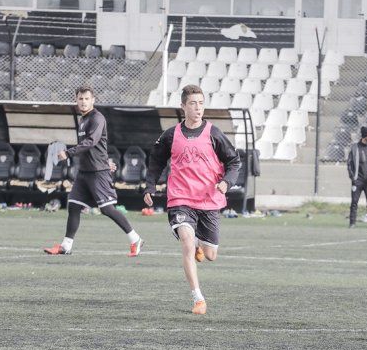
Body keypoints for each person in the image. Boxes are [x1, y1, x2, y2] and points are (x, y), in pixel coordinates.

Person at [143, 85, 241, 315]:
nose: (198, 108)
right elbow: (155, 162)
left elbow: (234, 162)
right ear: (183, 106)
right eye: (193, 104)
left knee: (210, 255)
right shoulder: (170, 135)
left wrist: (226, 182)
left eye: (201, 103)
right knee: (186, 241)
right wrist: (150, 186)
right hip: (180, 198)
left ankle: (200, 244)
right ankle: (198, 298)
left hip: (208, 200)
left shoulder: (214, 133)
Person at [44, 86, 144, 256]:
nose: (83, 102)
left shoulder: (97, 118)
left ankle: (135, 239)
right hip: (84, 172)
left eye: (86, 99)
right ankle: (66, 246)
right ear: (76, 100)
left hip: (98, 173)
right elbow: (95, 147)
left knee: (107, 209)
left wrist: (68, 153)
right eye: (80, 99)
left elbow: (91, 142)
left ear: (93, 100)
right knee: (73, 206)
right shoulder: (82, 120)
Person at [347, 126, 367, 229]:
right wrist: (353, 177)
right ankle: (352, 223)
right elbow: (349, 163)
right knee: (354, 202)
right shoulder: (355, 147)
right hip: (358, 181)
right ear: (365, 135)